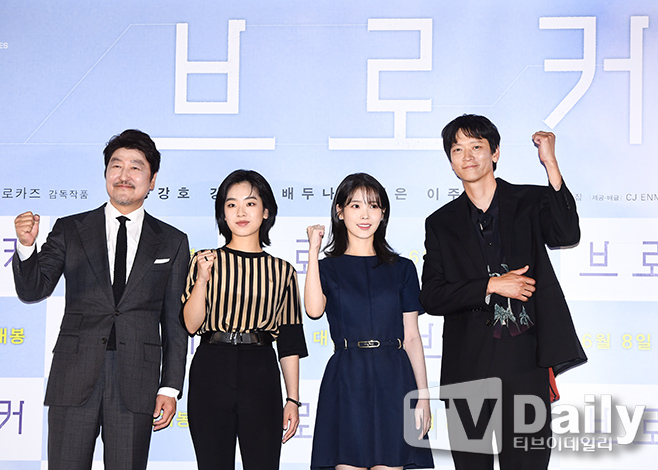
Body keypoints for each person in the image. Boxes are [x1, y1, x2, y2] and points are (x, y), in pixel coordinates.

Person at [12, 129, 190, 470]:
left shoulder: (172, 241)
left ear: (152, 180)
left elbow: (174, 321)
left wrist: (170, 387)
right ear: (106, 173)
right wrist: (26, 247)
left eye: (136, 167)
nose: (124, 175)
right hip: (74, 375)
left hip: (137, 380)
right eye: (116, 165)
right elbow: (34, 290)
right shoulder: (71, 228)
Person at [419, 114, 587, 469]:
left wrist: (550, 164)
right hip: (466, 368)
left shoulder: (528, 201)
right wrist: (491, 286)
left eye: (476, 146)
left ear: (494, 153)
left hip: (525, 362)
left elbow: (566, 233)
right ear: (450, 161)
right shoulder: (440, 223)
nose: (467, 156)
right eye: (457, 149)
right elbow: (431, 295)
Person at [305, 172, 434, 470]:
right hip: (347, 377)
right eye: (355, 206)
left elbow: (412, 336)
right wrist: (313, 251)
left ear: (383, 213)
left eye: (373, 206)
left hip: (394, 377)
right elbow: (313, 310)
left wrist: (423, 396)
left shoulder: (402, 268)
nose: (365, 215)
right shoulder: (327, 268)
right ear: (340, 212)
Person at [181, 169, 308, 470]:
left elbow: (289, 341)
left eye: (250, 203)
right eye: (231, 204)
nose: (240, 212)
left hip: (260, 368)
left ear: (266, 211)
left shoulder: (283, 271)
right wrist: (202, 280)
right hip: (212, 366)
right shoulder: (204, 260)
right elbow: (190, 325)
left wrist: (293, 399)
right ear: (222, 213)